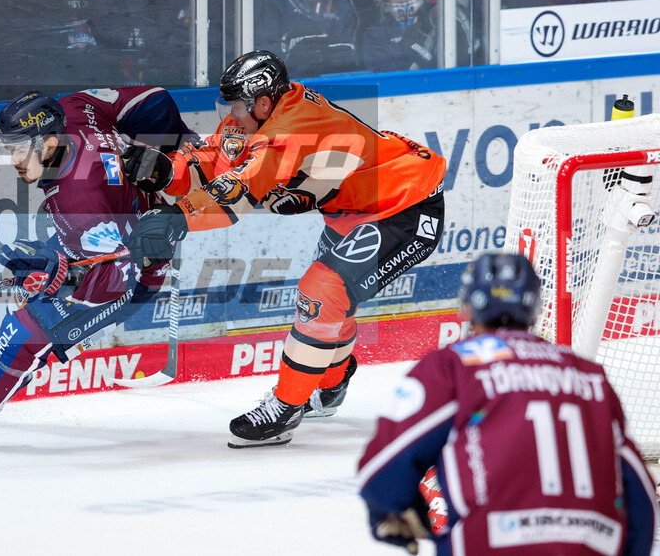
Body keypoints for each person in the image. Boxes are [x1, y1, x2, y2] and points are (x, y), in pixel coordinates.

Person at [124, 50, 447, 448]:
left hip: (405, 206)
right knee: (334, 303)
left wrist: (178, 219)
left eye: (238, 105)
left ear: (263, 101)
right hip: (354, 209)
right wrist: (166, 171)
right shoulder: (262, 112)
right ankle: (331, 380)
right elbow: (216, 160)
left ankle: (286, 407)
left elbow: (236, 193)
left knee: (322, 290)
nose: (232, 114)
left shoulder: (289, 128)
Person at [0, 86, 196, 450]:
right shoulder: (75, 109)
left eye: (20, 149)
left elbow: (115, 281)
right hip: (112, 237)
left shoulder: (80, 203)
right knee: (25, 310)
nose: (13, 160)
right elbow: (153, 99)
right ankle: (1, 383)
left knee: (23, 334)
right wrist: (183, 149)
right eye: (8, 149)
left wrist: (63, 274)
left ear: (50, 144)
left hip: (135, 272)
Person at [357, 252, 658, 555]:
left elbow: (382, 469)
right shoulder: (590, 377)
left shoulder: (455, 366)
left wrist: (389, 509)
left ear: (466, 308)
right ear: (536, 310)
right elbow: (641, 499)